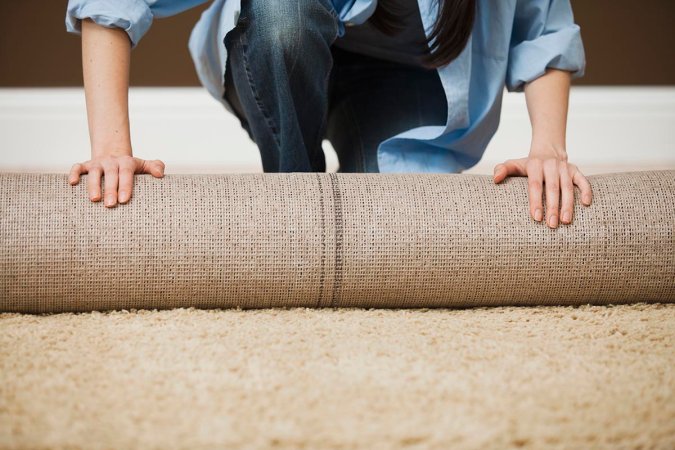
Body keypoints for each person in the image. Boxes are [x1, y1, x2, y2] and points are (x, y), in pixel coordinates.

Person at [65, 0, 593, 229]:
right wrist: (112, 150)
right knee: (284, 18)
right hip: (280, 42)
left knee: (391, 233)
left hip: (404, 77)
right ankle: (294, 198)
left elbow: (542, 28)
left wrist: (548, 148)